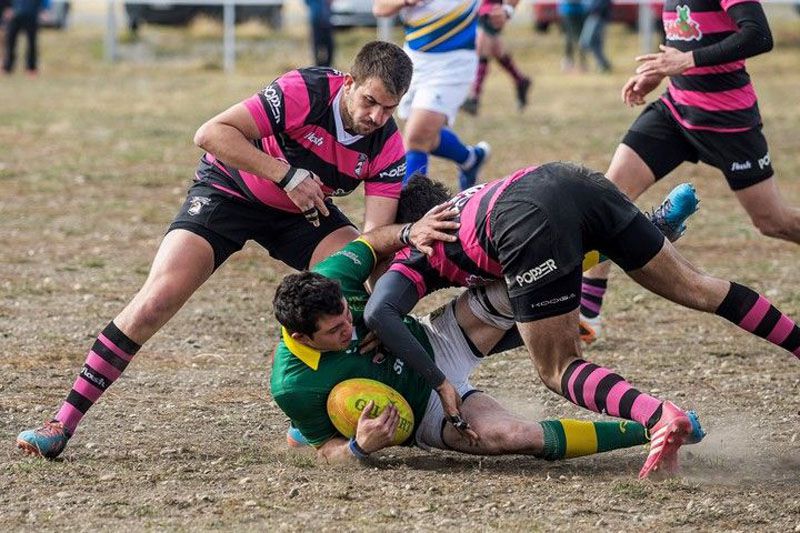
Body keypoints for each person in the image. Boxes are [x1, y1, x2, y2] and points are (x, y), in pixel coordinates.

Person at [15, 41, 424, 459]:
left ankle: (314, 419)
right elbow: (210, 133)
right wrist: (285, 175)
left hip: (302, 213)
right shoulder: (305, 90)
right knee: (157, 300)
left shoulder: (387, 146)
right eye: (370, 101)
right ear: (349, 82)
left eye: (389, 109)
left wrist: (379, 311)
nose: (376, 117)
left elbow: (375, 241)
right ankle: (61, 422)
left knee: (354, 296)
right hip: (229, 192)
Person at [364, 162, 800, 479]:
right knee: (700, 287)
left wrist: (438, 380)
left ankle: (660, 417)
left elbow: (379, 311)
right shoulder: (463, 200)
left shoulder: (415, 249)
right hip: (574, 180)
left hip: (525, 219)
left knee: (558, 367)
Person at [270, 188, 682, 464]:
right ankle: (651, 429)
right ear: (303, 338)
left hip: (437, 343)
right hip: (428, 412)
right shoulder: (293, 384)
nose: (350, 326)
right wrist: (360, 447)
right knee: (511, 437)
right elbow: (329, 450)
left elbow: (371, 242)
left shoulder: (333, 275)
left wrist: (412, 232)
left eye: (347, 313)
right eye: (336, 330)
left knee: (521, 280)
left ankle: (644, 233)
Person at [580, 0, 800, 339]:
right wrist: (657, 72)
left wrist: (687, 61)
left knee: (774, 221)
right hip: (676, 111)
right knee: (609, 197)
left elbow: (758, 35)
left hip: (728, 122)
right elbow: (684, 39)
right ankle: (588, 315)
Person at [373, 0, 491, 191]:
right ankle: (470, 158)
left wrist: (507, 10)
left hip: (454, 61)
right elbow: (380, 7)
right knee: (423, 133)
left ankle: (411, 211)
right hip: (415, 59)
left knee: (416, 136)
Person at [461, 0, 532, 116]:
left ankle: (474, 98)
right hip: (477, 9)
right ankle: (520, 80)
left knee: (482, 49)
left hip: (491, 12)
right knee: (496, 50)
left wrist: (507, 11)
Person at [2, 0, 49, 75]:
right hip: (14, 14)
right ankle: (7, 67)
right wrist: (7, 8)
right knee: (10, 41)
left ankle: (31, 68)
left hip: (31, 14)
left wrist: (44, 9)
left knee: (32, 43)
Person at [578, 0, 612, 73]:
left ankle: (603, 64)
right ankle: (602, 64)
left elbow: (601, 5)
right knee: (595, 44)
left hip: (597, 17)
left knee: (587, 43)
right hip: (593, 17)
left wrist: (592, 9)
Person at [557, 0, 586, 73]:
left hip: (579, 11)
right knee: (571, 37)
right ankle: (569, 62)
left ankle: (581, 63)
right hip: (569, 11)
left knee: (580, 38)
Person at [305, 0, 334, 67]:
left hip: (327, 21)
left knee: (330, 45)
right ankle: (318, 66)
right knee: (317, 45)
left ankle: (328, 66)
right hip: (316, 21)